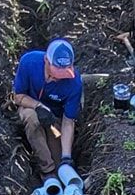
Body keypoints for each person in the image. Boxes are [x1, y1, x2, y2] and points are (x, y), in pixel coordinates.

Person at [11, 37, 82, 179]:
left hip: (53, 123)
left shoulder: (74, 84)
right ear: (46, 61)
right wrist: (38, 106)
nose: (58, 79)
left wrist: (66, 158)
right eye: (55, 73)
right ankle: (47, 172)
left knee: (59, 162)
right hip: (29, 106)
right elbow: (18, 97)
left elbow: (68, 122)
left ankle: (57, 172)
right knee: (32, 119)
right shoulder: (29, 63)